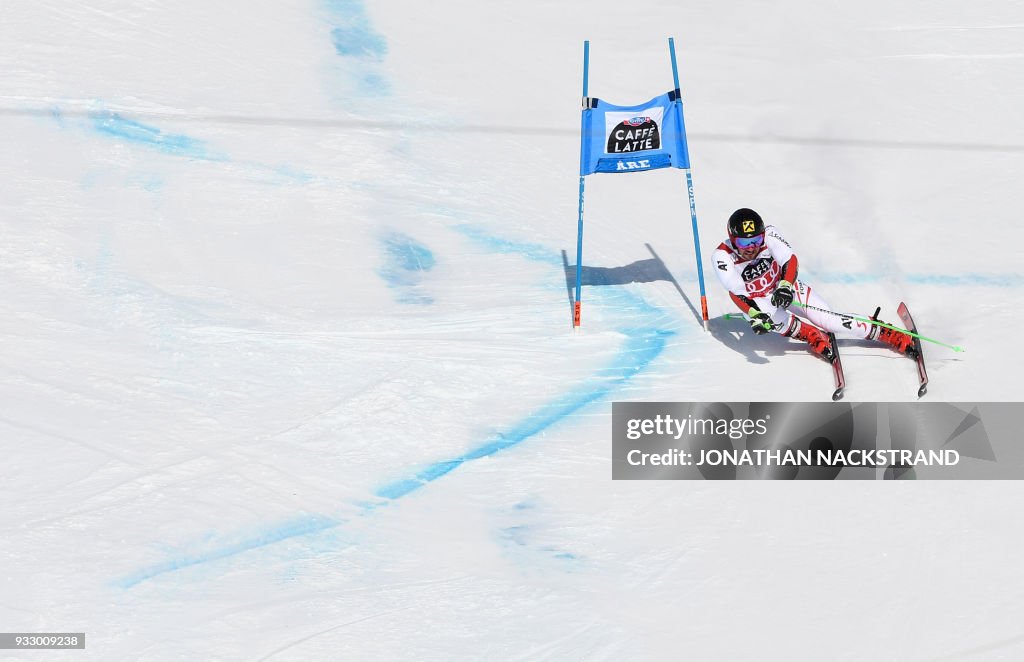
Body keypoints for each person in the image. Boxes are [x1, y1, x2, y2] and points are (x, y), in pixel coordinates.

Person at [712, 207, 916, 361]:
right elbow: (736, 291)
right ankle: (812, 335)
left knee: (830, 321)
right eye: (744, 243)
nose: (752, 248)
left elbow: (789, 260)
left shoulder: (770, 235)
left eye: (756, 240)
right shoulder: (722, 256)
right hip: (760, 301)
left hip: (786, 288)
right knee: (768, 317)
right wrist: (755, 316)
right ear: (732, 239)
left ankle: (885, 332)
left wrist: (785, 286)